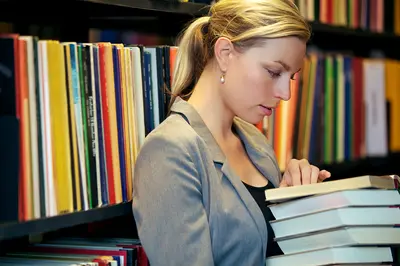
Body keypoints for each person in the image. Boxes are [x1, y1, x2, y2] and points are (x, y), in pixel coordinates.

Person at [132, 0, 331, 265]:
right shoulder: (170, 151)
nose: (285, 94)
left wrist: (295, 206)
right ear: (225, 53)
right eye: (273, 72)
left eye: (291, 77)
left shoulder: (255, 142)